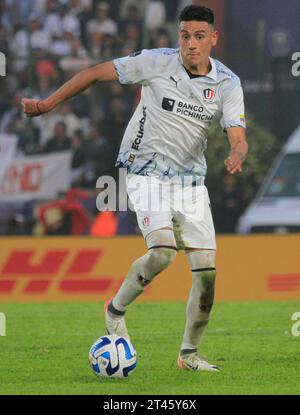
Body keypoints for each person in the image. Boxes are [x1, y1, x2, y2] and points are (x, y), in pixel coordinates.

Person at [22, 5, 248, 372]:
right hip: (145, 171)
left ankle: (188, 355)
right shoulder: (155, 62)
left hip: (190, 182)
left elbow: (238, 136)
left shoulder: (228, 83)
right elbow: (96, 73)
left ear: (213, 38)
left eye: (199, 37)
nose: (191, 44)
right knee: (162, 251)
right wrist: (48, 104)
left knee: (206, 274)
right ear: (179, 36)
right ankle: (115, 311)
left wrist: (238, 152)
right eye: (185, 36)